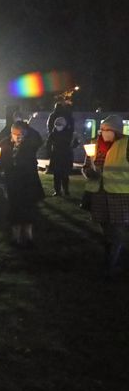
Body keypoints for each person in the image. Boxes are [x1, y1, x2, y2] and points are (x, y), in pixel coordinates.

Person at [82, 115, 129, 275]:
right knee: (106, 229)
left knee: (117, 230)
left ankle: (111, 264)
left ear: (117, 130)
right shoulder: (95, 144)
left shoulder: (126, 144)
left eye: (107, 129)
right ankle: (111, 256)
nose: (103, 132)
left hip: (119, 194)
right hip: (99, 193)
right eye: (102, 129)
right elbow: (86, 166)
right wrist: (89, 172)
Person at [0, 120, 44, 248]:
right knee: (15, 210)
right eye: (14, 133)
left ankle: (29, 237)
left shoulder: (30, 144)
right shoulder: (6, 143)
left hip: (28, 182)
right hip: (13, 182)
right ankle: (15, 237)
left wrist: (27, 127)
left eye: (20, 133)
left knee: (29, 210)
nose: (17, 136)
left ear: (25, 133)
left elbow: (39, 140)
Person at [45, 108, 75, 197]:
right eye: (57, 125)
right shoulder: (53, 133)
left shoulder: (68, 133)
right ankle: (57, 191)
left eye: (60, 124)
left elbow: (73, 143)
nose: (58, 126)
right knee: (57, 175)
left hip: (65, 156)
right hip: (56, 156)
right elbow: (48, 143)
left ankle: (66, 190)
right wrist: (49, 153)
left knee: (65, 175)